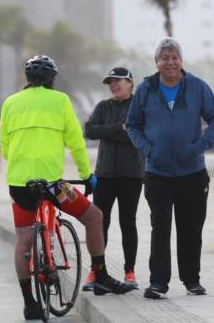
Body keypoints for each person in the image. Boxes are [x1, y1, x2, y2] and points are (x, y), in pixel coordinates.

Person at [0, 55, 134, 320]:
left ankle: (29, 303)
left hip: (19, 185)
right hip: (54, 186)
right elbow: (75, 141)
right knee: (94, 217)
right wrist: (87, 175)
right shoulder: (60, 101)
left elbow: (5, 146)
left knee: (23, 241)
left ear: (27, 79)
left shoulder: (10, 103)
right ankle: (101, 274)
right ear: (52, 80)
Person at [127, 38, 214, 299]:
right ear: (156, 62)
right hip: (158, 172)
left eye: (174, 57)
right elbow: (133, 125)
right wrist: (148, 150)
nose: (170, 62)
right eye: (164, 57)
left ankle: (192, 279)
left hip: (192, 171)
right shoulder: (146, 89)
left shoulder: (197, 87)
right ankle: (158, 282)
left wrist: (201, 145)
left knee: (191, 228)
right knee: (160, 226)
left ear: (181, 60)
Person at [83, 67, 145, 290]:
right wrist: (119, 127)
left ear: (130, 83)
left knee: (128, 222)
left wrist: (107, 132)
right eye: (110, 82)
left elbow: (138, 135)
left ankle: (130, 271)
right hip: (105, 174)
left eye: (118, 80)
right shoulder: (103, 107)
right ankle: (96, 272)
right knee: (100, 222)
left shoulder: (140, 106)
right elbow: (89, 131)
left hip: (132, 174)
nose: (113, 85)